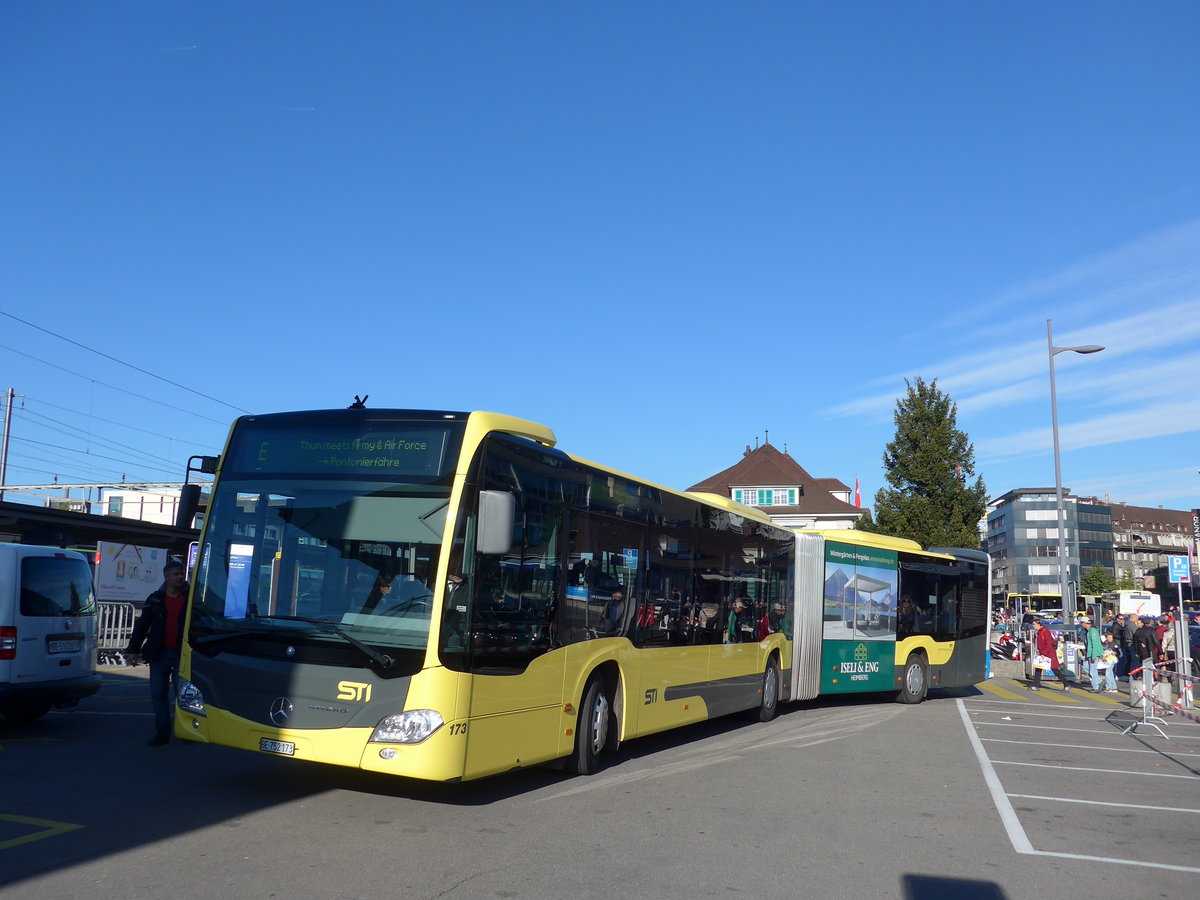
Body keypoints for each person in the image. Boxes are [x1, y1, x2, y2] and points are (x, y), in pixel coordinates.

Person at [126, 560, 189, 746]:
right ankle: (162, 733)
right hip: (158, 654)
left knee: (183, 695)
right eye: (176, 574)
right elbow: (142, 625)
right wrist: (133, 650)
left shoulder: (191, 598)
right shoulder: (155, 599)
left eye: (181, 573)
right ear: (166, 577)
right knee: (158, 695)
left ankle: (187, 731)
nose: (180, 577)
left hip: (181, 654)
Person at [1029, 617, 1070, 692]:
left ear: (1038, 624)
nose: (1033, 626)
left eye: (1034, 624)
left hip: (1049, 654)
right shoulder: (1040, 632)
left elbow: (1048, 644)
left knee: (1055, 670)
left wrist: (1043, 653)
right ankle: (1035, 685)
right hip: (1043, 653)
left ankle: (1066, 684)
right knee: (1038, 669)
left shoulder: (1045, 631)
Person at [1081, 616, 1114, 693]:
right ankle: (1099, 681)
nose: (1081, 625)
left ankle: (1095, 687)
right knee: (1086, 668)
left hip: (1093, 653)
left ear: (1085, 623)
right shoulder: (1088, 632)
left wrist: (1094, 656)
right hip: (1089, 653)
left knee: (1093, 670)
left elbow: (1095, 644)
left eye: (1082, 623)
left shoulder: (1092, 632)